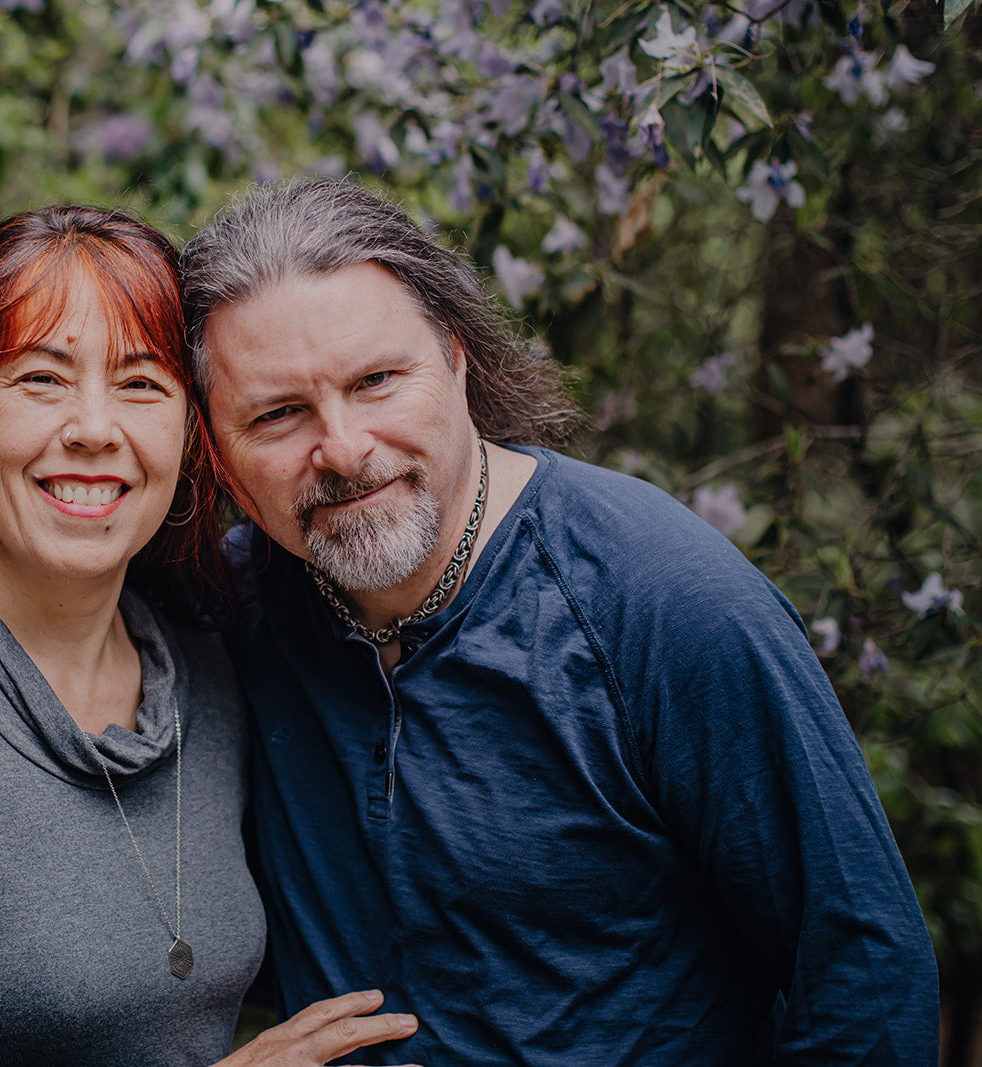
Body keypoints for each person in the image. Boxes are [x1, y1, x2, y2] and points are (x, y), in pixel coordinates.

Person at [179, 178, 941, 1064]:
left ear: (457, 362)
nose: (344, 448)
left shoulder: (668, 604)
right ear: (217, 453)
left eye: (378, 379)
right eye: (278, 414)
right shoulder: (226, 613)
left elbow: (866, 972)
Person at [0, 205, 420, 1066]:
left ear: (193, 436)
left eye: (142, 383)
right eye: (41, 378)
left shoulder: (210, 667)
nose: (94, 428)